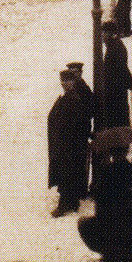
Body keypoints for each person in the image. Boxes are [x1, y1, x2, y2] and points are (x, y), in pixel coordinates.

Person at [48, 67, 93, 216]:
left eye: (67, 80)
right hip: (66, 143)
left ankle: (65, 204)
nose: (64, 83)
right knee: (70, 173)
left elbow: (78, 122)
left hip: (70, 144)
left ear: (73, 82)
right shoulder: (68, 97)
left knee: (67, 173)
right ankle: (72, 202)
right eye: (63, 81)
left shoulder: (73, 99)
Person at [100, 20, 132, 128]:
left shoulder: (115, 48)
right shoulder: (115, 45)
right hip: (117, 92)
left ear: (110, 33)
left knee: (116, 121)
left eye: (104, 33)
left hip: (115, 93)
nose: (102, 36)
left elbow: (120, 69)